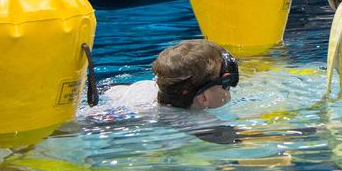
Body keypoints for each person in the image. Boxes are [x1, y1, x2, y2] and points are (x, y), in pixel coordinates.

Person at [98, 39, 239, 112]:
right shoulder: (200, 124)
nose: (230, 87)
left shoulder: (145, 87)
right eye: (227, 82)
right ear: (203, 98)